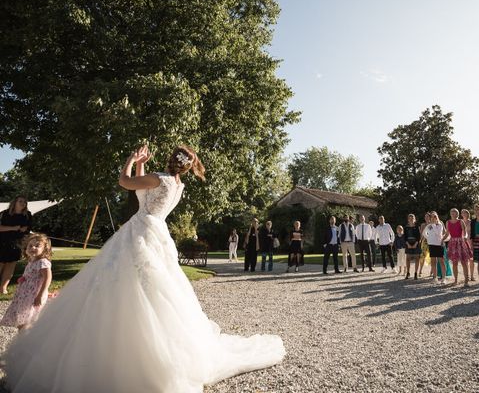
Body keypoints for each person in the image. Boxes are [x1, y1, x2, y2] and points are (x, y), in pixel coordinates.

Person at [3, 145, 285, 392]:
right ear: (186, 167)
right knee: (152, 283)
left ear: (170, 160)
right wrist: (142, 164)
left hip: (140, 231)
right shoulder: (177, 184)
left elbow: (125, 182)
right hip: (156, 231)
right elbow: (142, 191)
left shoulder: (159, 178)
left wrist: (130, 159)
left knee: (125, 280)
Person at [0, 233, 52, 330]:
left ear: (45, 249)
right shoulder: (32, 261)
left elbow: (47, 278)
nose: (33, 247)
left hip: (34, 295)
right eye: (30, 245)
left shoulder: (43, 262)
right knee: (22, 316)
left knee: (29, 317)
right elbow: (33, 275)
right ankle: (22, 334)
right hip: (26, 295)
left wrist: (40, 295)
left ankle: (26, 336)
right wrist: (24, 278)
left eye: (37, 246)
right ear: (26, 248)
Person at [0, 196, 32, 295]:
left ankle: (3, 288)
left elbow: (29, 227)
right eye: (20, 201)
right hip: (2, 242)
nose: (23, 203)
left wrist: (25, 229)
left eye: (25, 202)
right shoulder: (4, 213)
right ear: (15, 202)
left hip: (17, 243)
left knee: (11, 265)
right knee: (1, 263)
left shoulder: (27, 215)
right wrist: (13, 228)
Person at [445, 208, 472, 286]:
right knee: (454, 263)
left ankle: (466, 281)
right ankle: (456, 280)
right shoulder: (448, 222)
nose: (453, 214)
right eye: (452, 213)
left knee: (464, 262)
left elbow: (465, 232)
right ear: (450, 214)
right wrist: (442, 240)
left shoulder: (461, 221)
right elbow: (447, 233)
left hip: (461, 242)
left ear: (457, 214)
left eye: (455, 213)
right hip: (452, 243)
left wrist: (465, 237)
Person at [426, 213, 447, 284]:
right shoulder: (429, 226)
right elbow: (426, 233)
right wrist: (428, 240)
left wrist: (433, 224)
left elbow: (438, 233)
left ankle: (444, 278)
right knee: (433, 261)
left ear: (437, 217)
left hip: (439, 245)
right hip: (431, 245)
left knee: (441, 261)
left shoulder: (440, 225)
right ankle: (435, 278)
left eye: (434, 217)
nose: (433, 218)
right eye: (431, 217)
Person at [404, 214, 421, 280]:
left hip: (416, 244)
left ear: (414, 219)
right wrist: (407, 244)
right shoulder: (406, 227)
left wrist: (415, 244)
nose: (411, 219)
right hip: (408, 244)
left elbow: (419, 237)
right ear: (408, 219)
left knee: (417, 258)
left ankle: (415, 273)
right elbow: (404, 237)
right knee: (408, 259)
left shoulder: (417, 227)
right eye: (410, 218)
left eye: (412, 218)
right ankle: (408, 272)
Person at [460, 209, 475, 281]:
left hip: (470, 241)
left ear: (468, 214)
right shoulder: (460, 222)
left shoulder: (471, 222)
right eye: (463, 213)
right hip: (462, 242)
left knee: (471, 259)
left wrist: (472, 243)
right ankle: (467, 276)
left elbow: (473, 233)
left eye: (465, 213)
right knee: (464, 260)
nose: (464, 214)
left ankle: (472, 276)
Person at [418, 213, 431, 277]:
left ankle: (432, 271)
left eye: (427, 216)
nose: (426, 218)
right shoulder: (423, 224)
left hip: (431, 242)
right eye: (425, 216)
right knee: (422, 256)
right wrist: (420, 240)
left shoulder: (432, 224)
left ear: (430, 217)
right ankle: (420, 270)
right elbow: (421, 234)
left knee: (431, 256)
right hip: (424, 242)